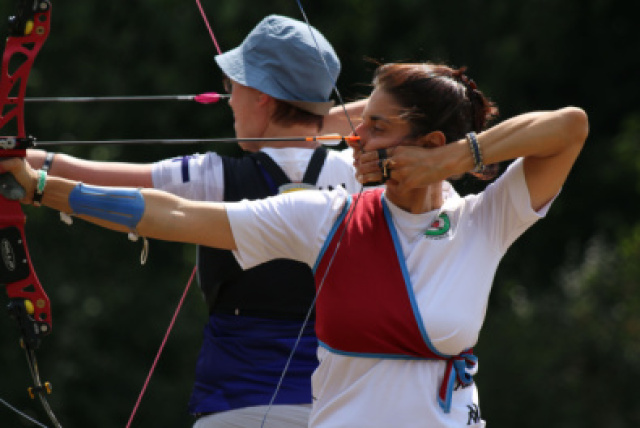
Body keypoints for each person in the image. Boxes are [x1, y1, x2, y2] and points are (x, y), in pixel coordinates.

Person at [2, 61, 589, 428]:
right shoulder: (325, 216)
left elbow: (570, 126)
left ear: (430, 142)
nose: (355, 138)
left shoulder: (483, 220)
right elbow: (175, 214)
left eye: (378, 128)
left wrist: (456, 159)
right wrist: (44, 188)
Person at [23, 14, 366, 428]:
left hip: (235, 410)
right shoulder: (357, 176)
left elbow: (88, 177)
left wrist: (25, 166)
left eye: (233, 85)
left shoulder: (211, 175)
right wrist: (312, 120)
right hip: (343, 410)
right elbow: (416, 108)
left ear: (261, 95)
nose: (227, 98)